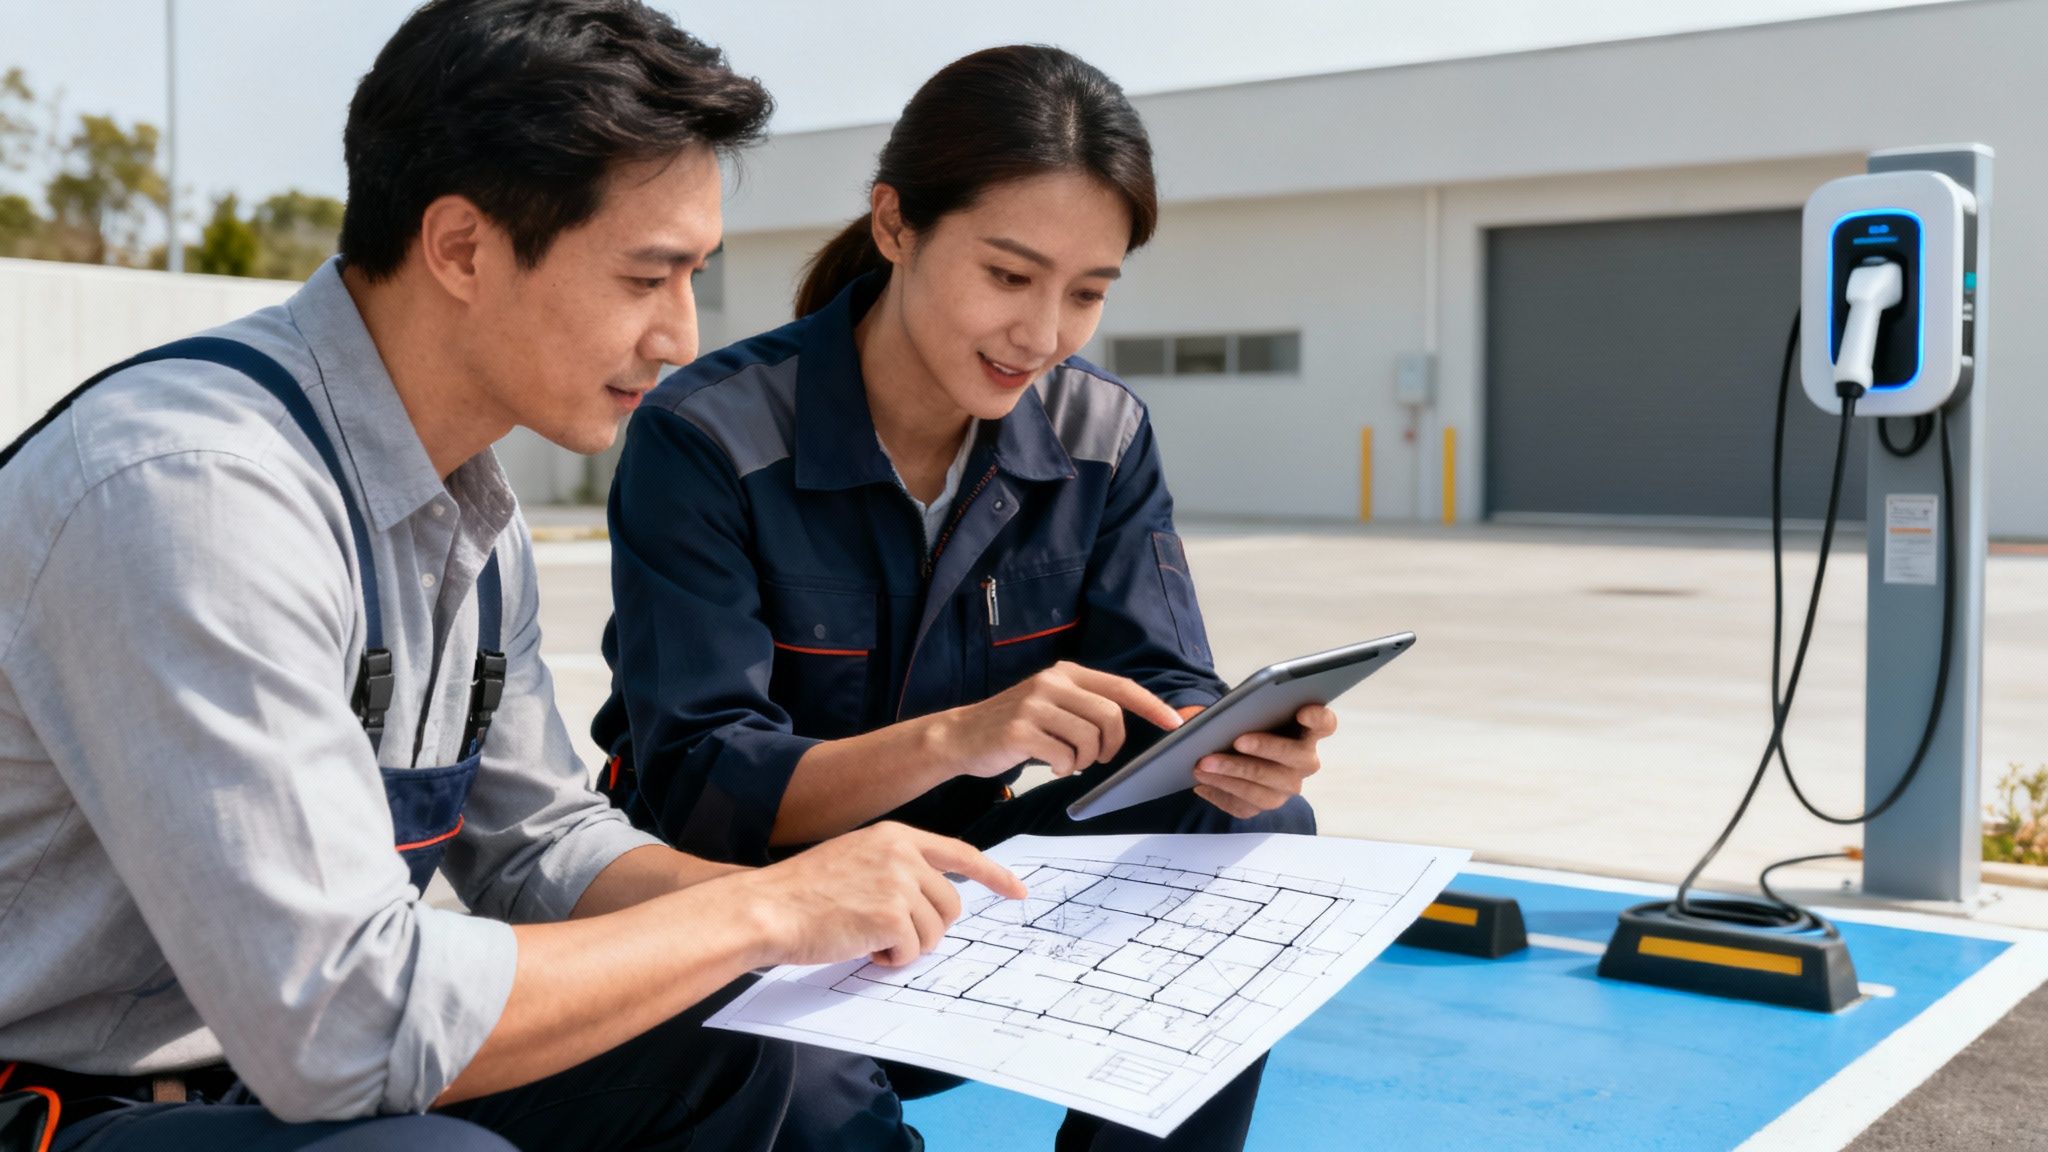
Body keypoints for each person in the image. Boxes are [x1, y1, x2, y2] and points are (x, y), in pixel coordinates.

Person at [0, 3, 1023, 1150]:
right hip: (60, 1101)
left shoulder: (470, 512)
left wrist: (836, 912)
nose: (682, 336)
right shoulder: (192, 492)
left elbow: (540, 846)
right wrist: (762, 908)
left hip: (268, 1078)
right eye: (648, 276)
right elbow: (343, 1026)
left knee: (784, 1060)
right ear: (461, 248)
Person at [593, 45, 1338, 1151]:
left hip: (952, 906)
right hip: (731, 932)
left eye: (1085, 293)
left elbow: (1164, 684)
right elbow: (703, 783)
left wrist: (1226, 743)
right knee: (818, 1101)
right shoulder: (708, 437)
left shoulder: (1102, 436)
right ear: (894, 225)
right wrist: (960, 737)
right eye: (1007, 276)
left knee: (1253, 825)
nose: (1042, 336)